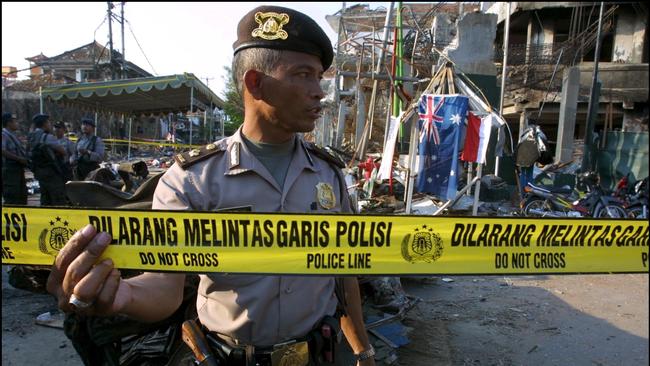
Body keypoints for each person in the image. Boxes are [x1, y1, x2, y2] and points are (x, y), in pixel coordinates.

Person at [47, 5, 375, 366]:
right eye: (304, 75)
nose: (319, 92)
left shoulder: (328, 173)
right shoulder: (191, 179)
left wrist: (362, 349)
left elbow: (344, 272)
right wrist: (124, 295)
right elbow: (163, 284)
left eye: (319, 78)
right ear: (256, 83)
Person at [27, 113, 67, 206]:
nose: (50, 125)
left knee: (45, 197)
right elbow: (63, 151)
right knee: (58, 198)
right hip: (51, 172)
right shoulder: (47, 137)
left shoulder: (31, 137)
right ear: (44, 124)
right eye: (48, 122)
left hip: (38, 171)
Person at [2, 112, 28, 204]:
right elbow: (2, 151)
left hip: (18, 170)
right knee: (13, 197)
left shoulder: (13, 135)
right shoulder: (4, 134)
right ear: (9, 123)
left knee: (22, 196)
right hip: (10, 171)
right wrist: (18, 159)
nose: (17, 123)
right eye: (14, 121)